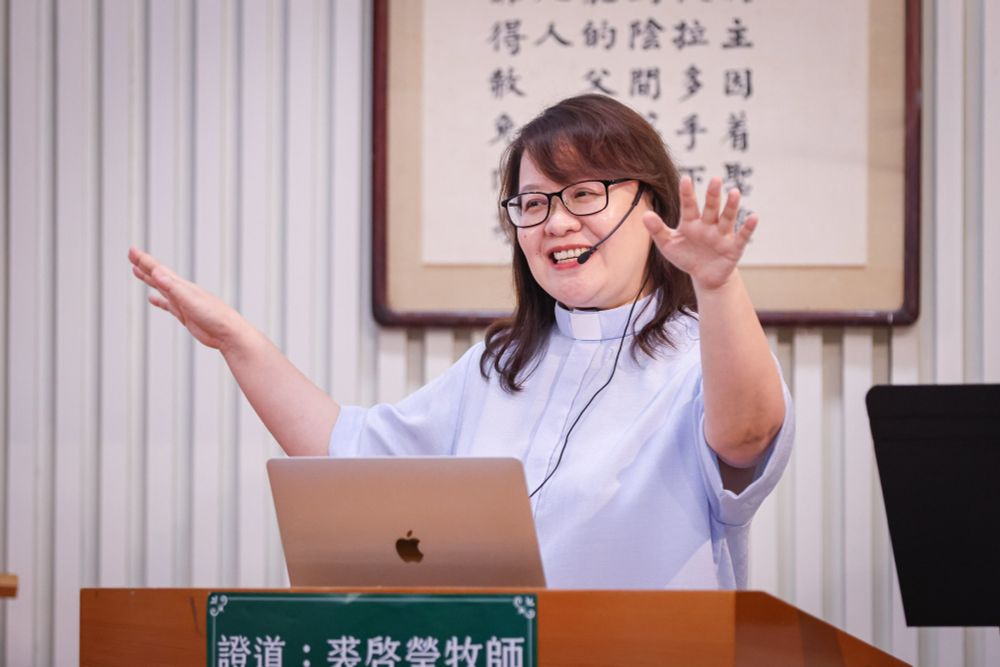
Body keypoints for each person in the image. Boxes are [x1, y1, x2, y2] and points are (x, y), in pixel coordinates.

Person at [129, 94, 792, 590]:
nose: (556, 222)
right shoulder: (501, 364)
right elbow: (351, 457)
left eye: (584, 194)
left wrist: (716, 283)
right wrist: (236, 341)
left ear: (652, 206)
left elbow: (746, 436)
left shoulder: (700, 356)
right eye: (533, 203)